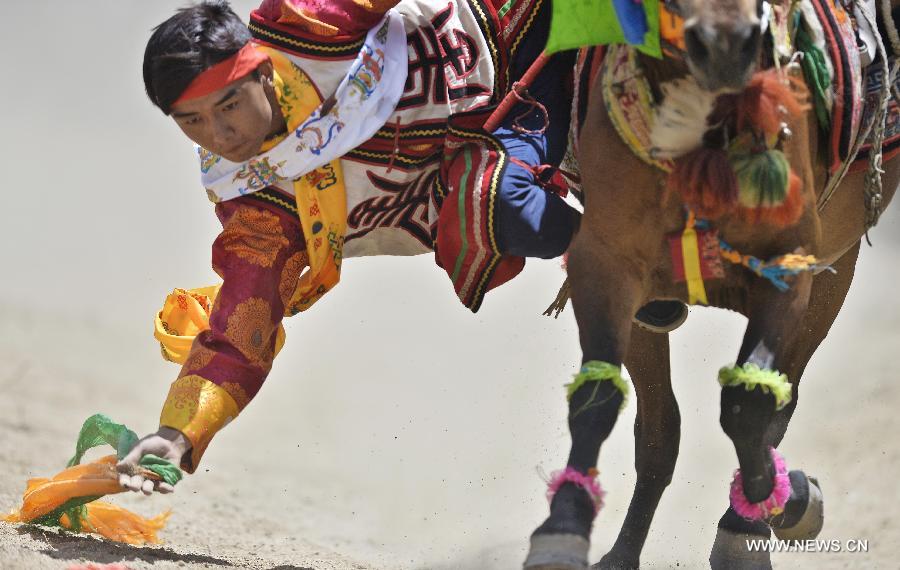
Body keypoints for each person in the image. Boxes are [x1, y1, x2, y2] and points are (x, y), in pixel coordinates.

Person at [117, 0, 685, 494]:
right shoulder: (255, 205)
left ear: (262, 73)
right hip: (492, 144)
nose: (221, 136)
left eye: (229, 105)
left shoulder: (303, 20)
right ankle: (638, 267)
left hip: (517, 36)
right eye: (192, 121)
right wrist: (176, 434)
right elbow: (242, 328)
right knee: (488, 206)